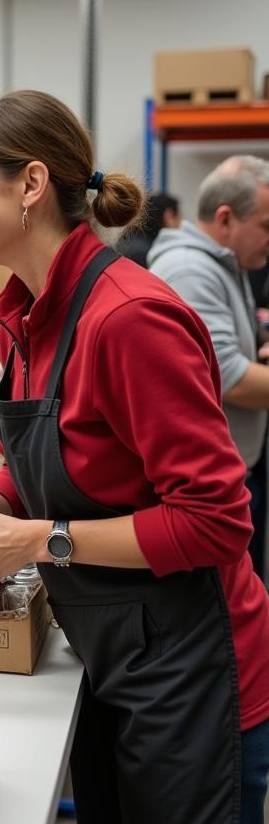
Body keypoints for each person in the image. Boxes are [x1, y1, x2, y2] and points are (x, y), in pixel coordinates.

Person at [0, 90, 269, 824]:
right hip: (113, 653)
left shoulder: (128, 319)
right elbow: (45, 462)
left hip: (196, 675)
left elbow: (217, 523)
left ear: (29, 185)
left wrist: (35, 541)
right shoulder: (24, 314)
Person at [148, 157, 269, 581]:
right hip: (212, 493)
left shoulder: (222, 263)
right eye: (266, 225)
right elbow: (230, 379)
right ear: (225, 218)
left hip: (232, 474)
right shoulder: (191, 270)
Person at [117, 190, 180, 266]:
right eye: (179, 218)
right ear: (169, 216)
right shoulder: (146, 253)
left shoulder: (130, 239)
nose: (180, 224)